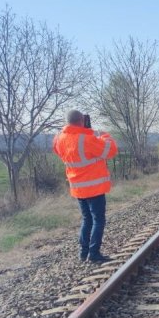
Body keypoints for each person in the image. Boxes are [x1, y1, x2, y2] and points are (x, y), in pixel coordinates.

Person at [53, 110, 118, 264]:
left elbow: (60, 150)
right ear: (82, 121)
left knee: (86, 219)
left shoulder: (59, 139)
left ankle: (83, 252)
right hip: (94, 187)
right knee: (98, 220)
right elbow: (111, 150)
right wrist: (104, 135)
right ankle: (94, 253)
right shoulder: (86, 139)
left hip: (77, 187)